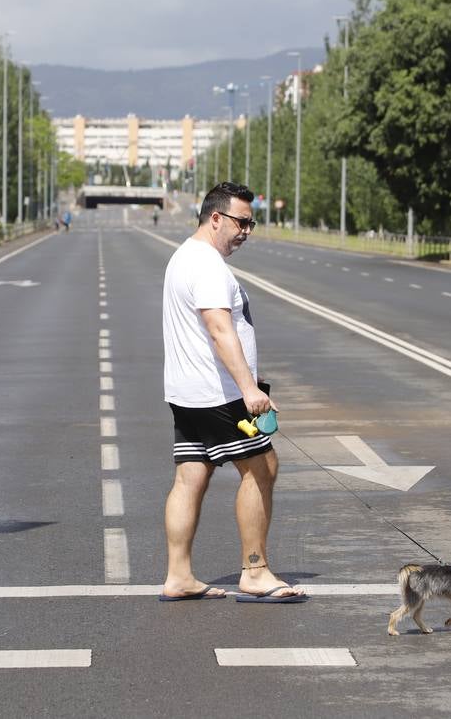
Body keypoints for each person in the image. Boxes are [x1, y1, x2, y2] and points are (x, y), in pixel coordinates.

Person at [159, 182, 307, 604]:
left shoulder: (183, 257)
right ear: (216, 218)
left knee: (191, 476)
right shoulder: (206, 266)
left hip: (187, 392)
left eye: (251, 223)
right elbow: (219, 328)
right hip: (220, 393)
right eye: (241, 222)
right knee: (262, 469)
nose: (246, 231)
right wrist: (249, 389)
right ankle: (256, 571)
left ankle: (179, 575)